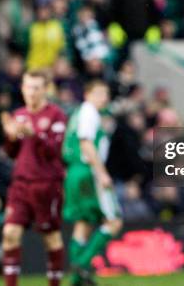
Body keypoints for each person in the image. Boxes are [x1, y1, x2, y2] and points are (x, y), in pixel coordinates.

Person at [0, 70, 68, 286]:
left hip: (47, 185)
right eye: (28, 87)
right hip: (20, 184)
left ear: (46, 89)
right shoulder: (19, 114)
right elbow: (12, 153)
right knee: (10, 233)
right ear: (22, 88)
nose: (31, 92)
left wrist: (34, 135)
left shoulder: (56, 115)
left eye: (36, 87)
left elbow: (54, 151)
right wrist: (10, 137)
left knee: (51, 238)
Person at [62, 80, 123, 286]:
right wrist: (101, 172)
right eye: (99, 93)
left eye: (106, 93)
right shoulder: (90, 112)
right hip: (88, 171)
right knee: (114, 221)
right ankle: (81, 263)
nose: (104, 97)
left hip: (74, 171)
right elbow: (85, 142)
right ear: (87, 95)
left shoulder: (80, 112)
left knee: (84, 223)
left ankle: (78, 280)